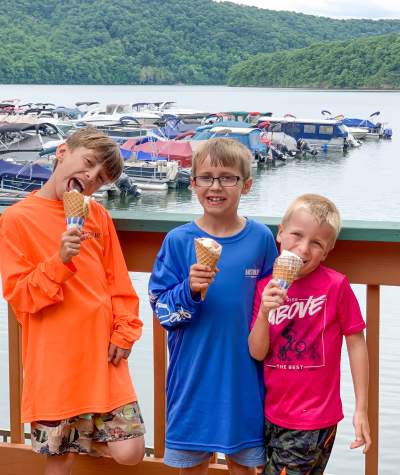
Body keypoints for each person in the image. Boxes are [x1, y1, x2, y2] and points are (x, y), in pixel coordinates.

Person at [0, 127, 145, 475]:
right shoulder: (16, 219)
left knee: (131, 450)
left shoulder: (98, 217)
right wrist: (59, 261)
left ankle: (86, 437)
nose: (91, 178)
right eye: (88, 164)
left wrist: (124, 332)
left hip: (103, 356)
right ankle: (77, 439)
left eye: (101, 178)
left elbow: (120, 284)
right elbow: (21, 295)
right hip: (54, 362)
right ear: (63, 151)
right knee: (59, 459)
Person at [148, 138, 278, 475]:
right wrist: (189, 290)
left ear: (246, 185)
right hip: (192, 374)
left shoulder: (261, 239)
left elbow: (273, 305)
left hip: (245, 376)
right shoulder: (178, 241)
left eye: (227, 177)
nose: (215, 186)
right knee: (191, 467)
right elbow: (161, 310)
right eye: (206, 177)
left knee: (244, 466)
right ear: (192, 184)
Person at [249, 194, 371, 475]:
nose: (303, 249)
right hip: (270, 414)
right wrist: (265, 312)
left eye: (316, 243)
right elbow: (257, 351)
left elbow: (356, 343)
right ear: (280, 234)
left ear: (326, 252)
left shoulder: (335, 286)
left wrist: (361, 409)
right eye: (296, 235)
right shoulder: (264, 287)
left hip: (313, 419)